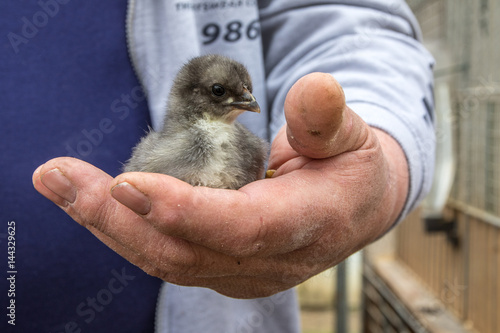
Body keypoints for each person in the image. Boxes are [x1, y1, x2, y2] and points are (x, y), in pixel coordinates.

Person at [1, 0, 435, 332]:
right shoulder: (170, 147)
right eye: (221, 92)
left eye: (243, 91)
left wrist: (371, 154)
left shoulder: (246, 148)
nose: (246, 101)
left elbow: (351, 22)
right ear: (194, 95)